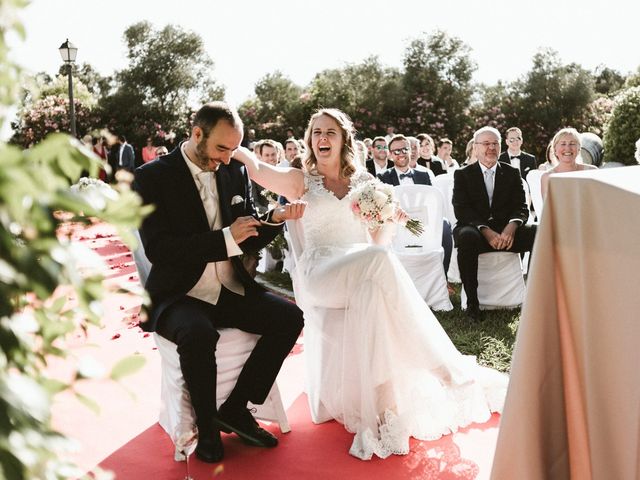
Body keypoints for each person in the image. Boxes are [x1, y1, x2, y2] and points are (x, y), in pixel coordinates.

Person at [233, 108, 508, 461]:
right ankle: (435, 358)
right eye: (316, 132)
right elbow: (258, 170)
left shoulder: (365, 183)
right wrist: (234, 148)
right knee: (378, 265)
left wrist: (389, 216)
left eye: (330, 132)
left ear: (344, 138)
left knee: (373, 291)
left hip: (360, 269)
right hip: (320, 274)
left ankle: (384, 410)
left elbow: (381, 241)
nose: (321, 139)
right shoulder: (302, 180)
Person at [133, 102, 305, 464]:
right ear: (197, 134)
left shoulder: (232, 171)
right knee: (198, 335)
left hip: (229, 287)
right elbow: (159, 249)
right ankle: (207, 429)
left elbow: (244, 234)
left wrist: (272, 220)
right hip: (179, 294)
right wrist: (226, 239)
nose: (228, 159)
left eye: (233, 149)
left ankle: (237, 407)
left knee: (290, 318)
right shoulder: (151, 177)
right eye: (221, 148)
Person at [452, 126, 536, 322]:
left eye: (495, 143)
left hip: (507, 235)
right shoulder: (462, 174)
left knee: (540, 233)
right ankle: (473, 305)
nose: (491, 148)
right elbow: (462, 210)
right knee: (466, 237)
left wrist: (511, 227)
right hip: (476, 231)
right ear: (475, 148)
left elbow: (522, 208)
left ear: (500, 146)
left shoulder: (512, 173)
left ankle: (535, 298)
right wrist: (486, 231)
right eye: (486, 143)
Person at [378, 134, 453, 281]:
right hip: (396, 222)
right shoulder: (383, 177)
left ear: (410, 151)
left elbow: (432, 204)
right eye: (396, 151)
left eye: (404, 149)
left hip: (424, 222)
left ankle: (442, 278)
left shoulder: (424, 175)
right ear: (390, 155)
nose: (401, 154)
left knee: (445, 225)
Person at [541, 127, 597, 197]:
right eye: (563, 144)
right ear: (555, 150)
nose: (567, 148)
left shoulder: (592, 172)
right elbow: (548, 207)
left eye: (572, 143)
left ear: (579, 148)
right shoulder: (547, 177)